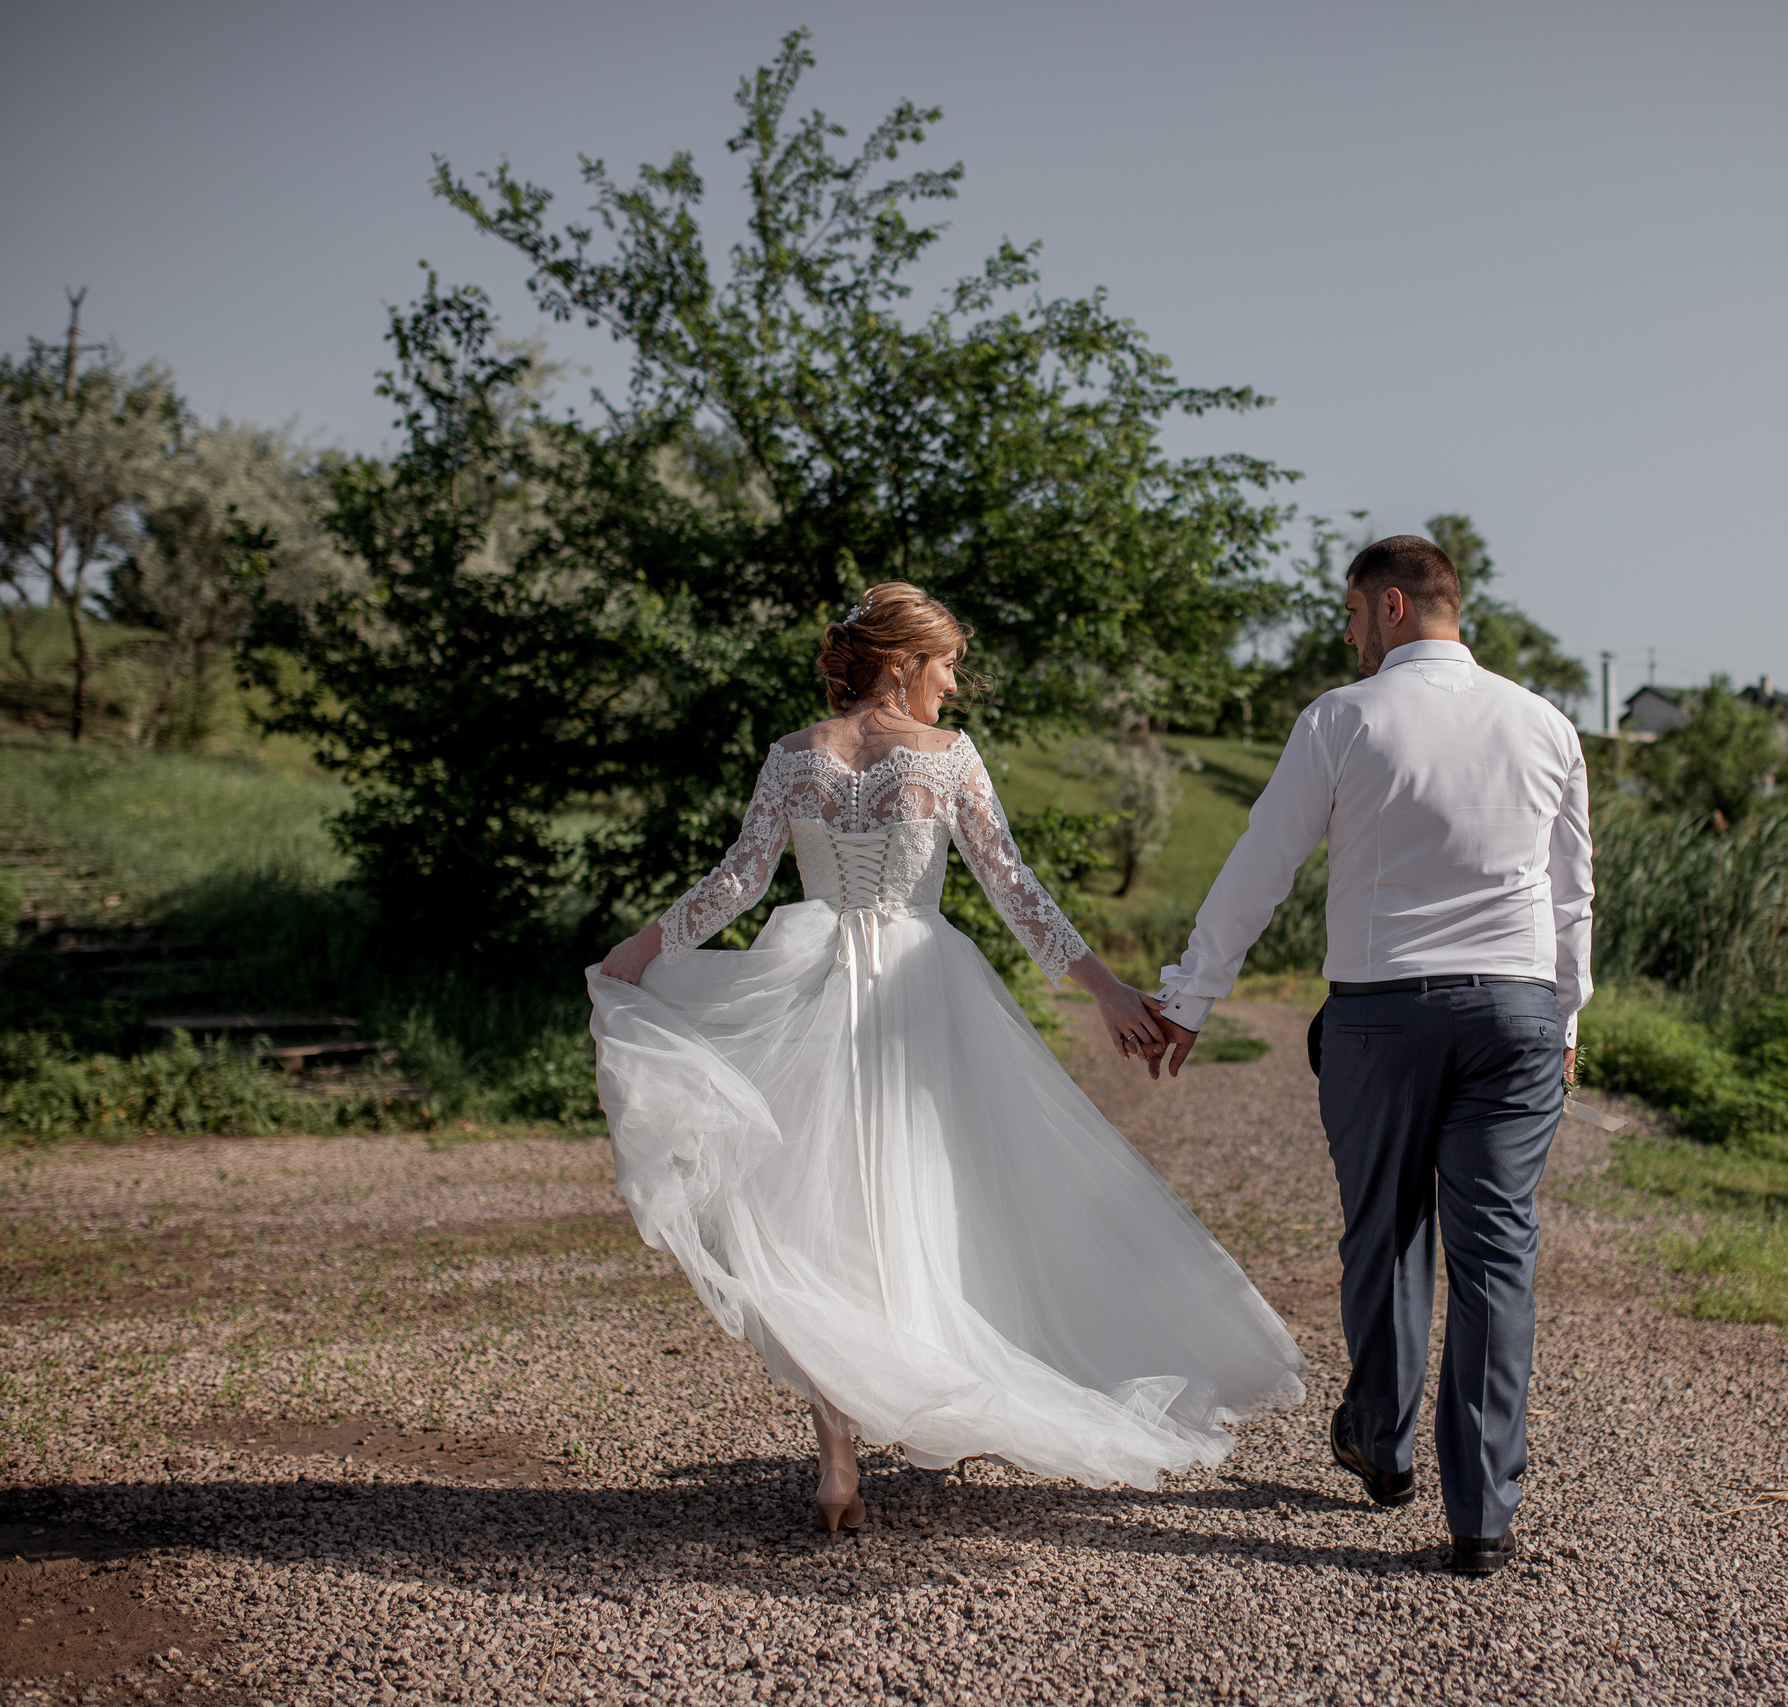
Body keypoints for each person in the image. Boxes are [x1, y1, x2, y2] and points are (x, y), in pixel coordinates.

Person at [588, 582, 1304, 1535]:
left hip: (808, 983)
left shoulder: (793, 755)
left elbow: (739, 881)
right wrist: (1107, 991)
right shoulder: (948, 756)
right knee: (933, 1196)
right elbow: (1014, 889)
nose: (954, 685)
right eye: (947, 664)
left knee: (828, 1211)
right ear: (901, 663)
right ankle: (931, 1395)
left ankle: (837, 1460)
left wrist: (644, 948)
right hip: (917, 991)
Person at [1149, 536, 1592, 1576]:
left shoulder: (1342, 719)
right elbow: (1571, 891)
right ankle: (1481, 1517)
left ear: (1391, 605)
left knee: (1386, 1234)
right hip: (1516, 1016)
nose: (1349, 637)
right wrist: (1567, 1019)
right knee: (1497, 1257)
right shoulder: (1546, 724)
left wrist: (1192, 996)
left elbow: (1261, 863)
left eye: (1352, 615)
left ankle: (1385, 1448)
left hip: (1381, 1016)